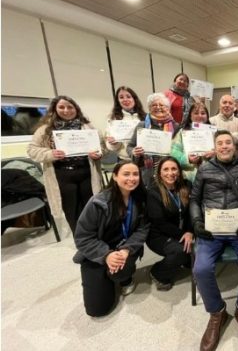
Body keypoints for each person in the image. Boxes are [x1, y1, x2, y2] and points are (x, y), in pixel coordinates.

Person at [190, 130, 238, 351]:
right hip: (212, 229)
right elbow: (194, 199)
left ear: (235, 146)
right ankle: (217, 312)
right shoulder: (203, 169)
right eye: (220, 143)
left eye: (228, 143)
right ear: (215, 146)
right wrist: (196, 223)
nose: (224, 146)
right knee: (201, 269)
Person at [73, 161, 149, 317]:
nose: (132, 178)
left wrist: (127, 249)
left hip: (124, 248)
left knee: (120, 272)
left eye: (135, 174)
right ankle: (106, 275)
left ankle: (123, 278)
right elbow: (83, 237)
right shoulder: (98, 203)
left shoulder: (141, 199)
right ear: (115, 176)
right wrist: (107, 255)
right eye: (126, 174)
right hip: (98, 250)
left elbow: (143, 229)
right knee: (97, 310)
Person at [27, 95, 103, 234]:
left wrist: (97, 153)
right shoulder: (45, 130)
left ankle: (94, 235)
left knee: (91, 206)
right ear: (55, 109)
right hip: (62, 175)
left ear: (76, 109)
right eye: (61, 107)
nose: (66, 110)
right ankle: (80, 238)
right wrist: (50, 154)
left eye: (70, 107)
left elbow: (101, 146)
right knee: (71, 209)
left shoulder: (87, 126)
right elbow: (32, 150)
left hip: (86, 172)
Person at [146, 157, 192, 291]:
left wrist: (190, 231)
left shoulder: (186, 185)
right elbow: (160, 222)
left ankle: (184, 260)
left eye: (174, 169)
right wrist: (183, 234)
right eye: (165, 169)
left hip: (182, 230)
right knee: (180, 252)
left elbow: (190, 212)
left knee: (194, 254)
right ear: (159, 173)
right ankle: (157, 273)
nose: (170, 173)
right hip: (159, 235)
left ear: (179, 171)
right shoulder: (153, 191)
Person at [127, 93, 179, 187]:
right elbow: (130, 146)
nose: (158, 107)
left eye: (162, 105)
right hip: (147, 172)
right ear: (150, 109)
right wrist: (134, 152)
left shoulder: (175, 126)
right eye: (154, 105)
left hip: (169, 172)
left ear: (168, 108)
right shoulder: (142, 125)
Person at [171, 102, 215, 182]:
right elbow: (173, 153)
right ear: (190, 116)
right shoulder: (182, 132)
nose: (200, 116)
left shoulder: (215, 132)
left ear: (207, 116)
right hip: (188, 179)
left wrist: (215, 153)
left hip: (212, 177)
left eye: (203, 113)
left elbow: (224, 150)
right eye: (196, 113)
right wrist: (188, 159)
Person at [105, 86, 147, 161]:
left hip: (144, 159)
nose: (125, 99)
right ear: (118, 101)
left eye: (128, 96)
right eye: (121, 97)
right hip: (124, 160)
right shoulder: (113, 119)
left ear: (134, 99)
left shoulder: (145, 117)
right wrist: (113, 143)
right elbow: (110, 147)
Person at [209, 95, 238, 159]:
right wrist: (234, 135)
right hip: (216, 160)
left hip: (236, 161)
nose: (227, 105)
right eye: (224, 103)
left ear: (234, 107)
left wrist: (220, 135)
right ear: (219, 105)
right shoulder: (211, 121)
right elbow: (211, 139)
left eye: (230, 103)